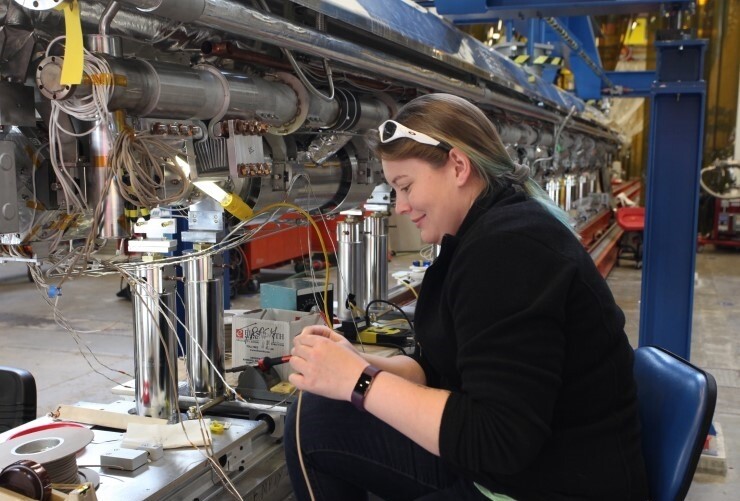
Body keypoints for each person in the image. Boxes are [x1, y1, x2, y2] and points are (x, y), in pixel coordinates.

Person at [283, 93, 648, 501]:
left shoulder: (509, 250)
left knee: (322, 416)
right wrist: (356, 363)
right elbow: (444, 372)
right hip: (522, 469)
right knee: (316, 416)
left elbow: (498, 441)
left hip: (548, 484)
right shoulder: (488, 231)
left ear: (458, 166)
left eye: (405, 186)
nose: (399, 207)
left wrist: (359, 382)